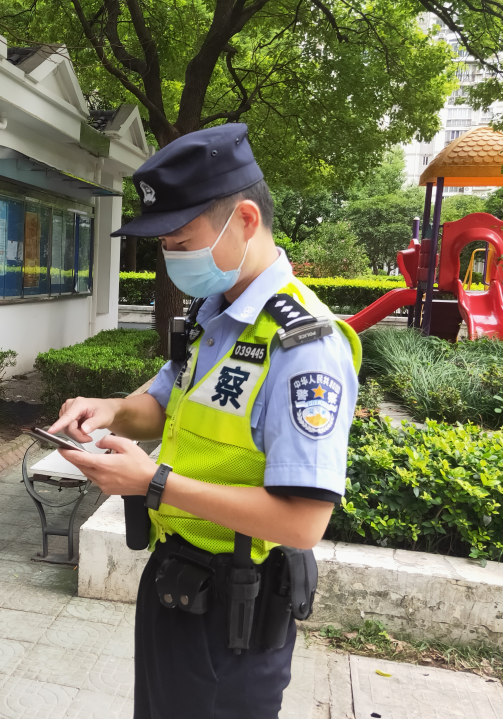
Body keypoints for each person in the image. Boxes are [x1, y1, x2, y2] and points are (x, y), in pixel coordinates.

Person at [50, 124, 361, 719]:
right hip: (176, 581)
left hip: (235, 611)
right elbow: (164, 402)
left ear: (245, 220)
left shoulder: (304, 347)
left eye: (180, 240)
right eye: (163, 244)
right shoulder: (214, 315)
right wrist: (110, 409)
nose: (170, 257)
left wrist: (154, 483)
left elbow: (302, 522)